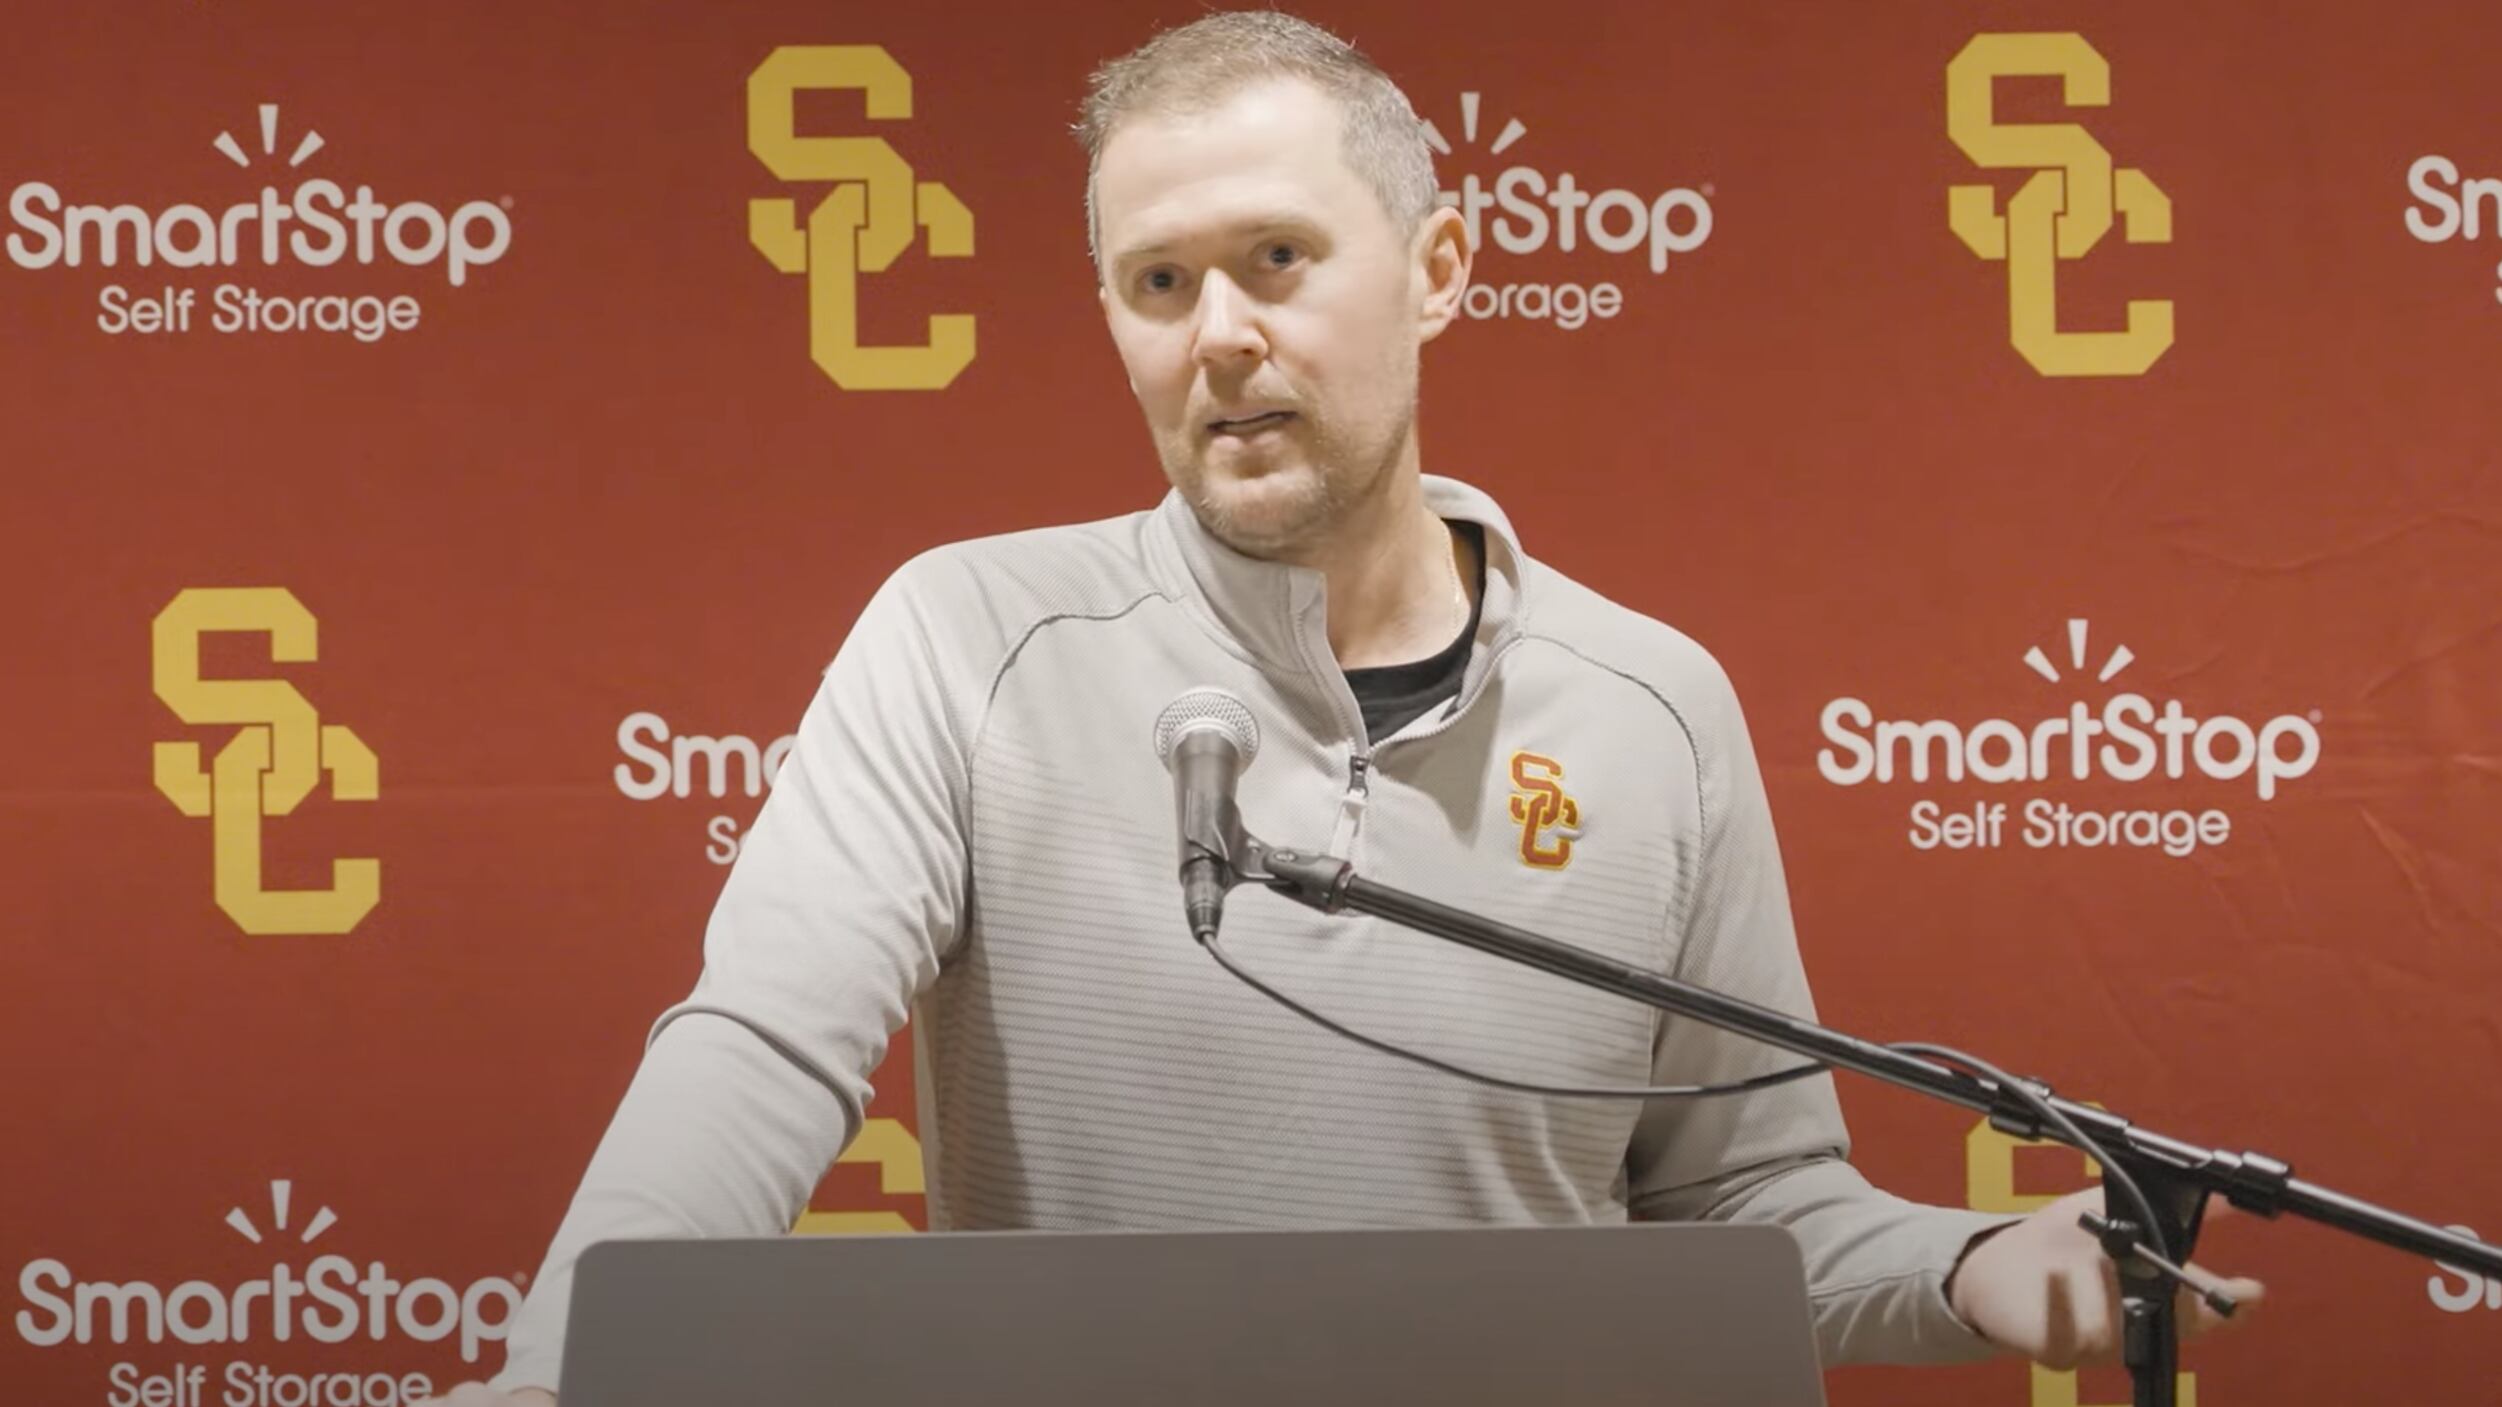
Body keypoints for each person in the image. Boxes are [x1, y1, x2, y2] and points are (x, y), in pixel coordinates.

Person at [424, 13, 2259, 1403]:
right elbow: (759, 1047)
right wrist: (545, 1386)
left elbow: (1744, 1203)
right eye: (1157, 284)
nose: (1217, 331)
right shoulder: (962, 632)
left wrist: (1970, 1272)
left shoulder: (1655, 707)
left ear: (1440, 270)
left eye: (1276, 260)